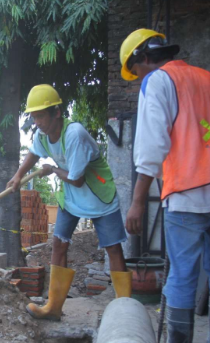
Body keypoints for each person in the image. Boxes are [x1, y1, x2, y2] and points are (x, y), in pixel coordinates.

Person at [120, 29, 210, 343]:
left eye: (136, 70)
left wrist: (138, 201)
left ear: (142, 59)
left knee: (182, 275)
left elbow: (151, 146)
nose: (138, 78)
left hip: (188, 194)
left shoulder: (157, 82)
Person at [7, 84, 130, 322]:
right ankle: (53, 307)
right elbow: (34, 152)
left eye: (41, 115)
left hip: (97, 193)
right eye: (34, 116)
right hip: (72, 198)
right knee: (58, 244)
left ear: (57, 113)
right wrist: (18, 175)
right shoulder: (42, 135)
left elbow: (77, 178)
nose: (38, 121)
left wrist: (52, 169)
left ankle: (124, 310)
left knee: (113, 247)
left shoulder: (74, 134)